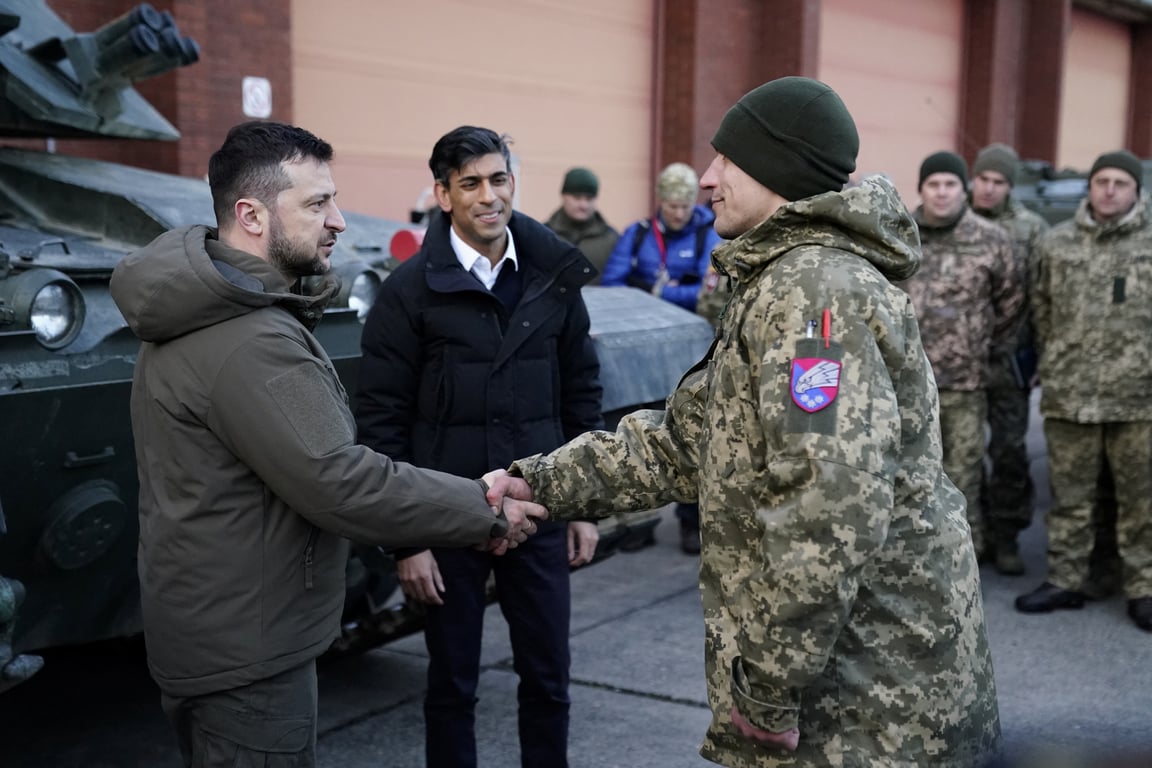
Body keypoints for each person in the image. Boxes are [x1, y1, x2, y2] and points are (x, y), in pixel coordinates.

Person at [492, 77, 1001, 767]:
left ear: (778, 169)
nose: (707, 179)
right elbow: (688, 442)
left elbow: (828, 505)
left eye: (726, 160)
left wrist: (768, 688)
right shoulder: (780, 280)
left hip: (865, 703)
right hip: (845, 685)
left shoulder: (813, 292)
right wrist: (542, 483)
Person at [107, 121, 544, 768]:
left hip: (220, 629)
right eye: (316, 204)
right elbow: (341, 481)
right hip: (250, 652)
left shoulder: (210, 314)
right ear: (251, 216)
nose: (338, 220)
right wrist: (483, 506)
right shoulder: (251, 341)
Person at [354, 125, 603, 768]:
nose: (488, 196)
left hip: (540, 511)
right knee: (451, 685)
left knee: (548, 680)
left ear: (512, 183)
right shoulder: (407, 293)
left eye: (498, 179)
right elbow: (380, 420)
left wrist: (584, 505)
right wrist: (406, 542)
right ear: (443, 195)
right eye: (470, 184)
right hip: (446, 519)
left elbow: (581, 392)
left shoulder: (554, 278)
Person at [1016, 149, 1152, 632]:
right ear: (1090, 187)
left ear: (1136, 190)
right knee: (1070, 499)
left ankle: (1143, 587)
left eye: (1120, 182)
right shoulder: (1057, 243)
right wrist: (1055, 361)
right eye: (1101, 181)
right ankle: (1065, 579)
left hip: (1139, 399)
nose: (1109, 190)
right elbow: (1040, 308)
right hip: (1070, 394)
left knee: (1141, 502)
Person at [900, 151, 1024, 558]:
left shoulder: (992, 240)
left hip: (965, 384)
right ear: (921, 189)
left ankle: (965, 559)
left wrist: (981, 347)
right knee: (909, 474)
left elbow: (1011, 304)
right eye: (933, 184)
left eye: (950, 184)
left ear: (963, 189)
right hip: (907, 384)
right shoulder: (899, 236)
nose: (941, 192)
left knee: (962, 475)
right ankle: (914, 560)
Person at [602, 163, 723, 553]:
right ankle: (641, 521)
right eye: (672, 205)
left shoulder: (708, 232)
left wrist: (659, 292)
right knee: (642, 431)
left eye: (685, 205)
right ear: (661, 201)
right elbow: (612, 286)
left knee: (691, 430)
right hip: (641, 354)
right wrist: (656, 292)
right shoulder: (638, 234)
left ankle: (690, 521)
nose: (678, 213)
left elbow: (708, 292)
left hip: (690, 350)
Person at [968, 143, 1050, 575]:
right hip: (960, 360)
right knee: (962, 453)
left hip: (1010, 359)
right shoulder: (955, 219)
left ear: (1010, 186)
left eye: (998, 181)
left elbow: (1042, 296)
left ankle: (1007, 536)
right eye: (983, 179)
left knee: (1009, 452)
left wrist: (1039, 356)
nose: (988, 188)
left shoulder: (1031, 229)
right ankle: (973, 532)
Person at [544, 166, 619, 279]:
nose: (583, 205)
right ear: (563, 196)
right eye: (577, 197)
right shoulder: (544, 236)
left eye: (589, 198)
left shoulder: (612, 239)